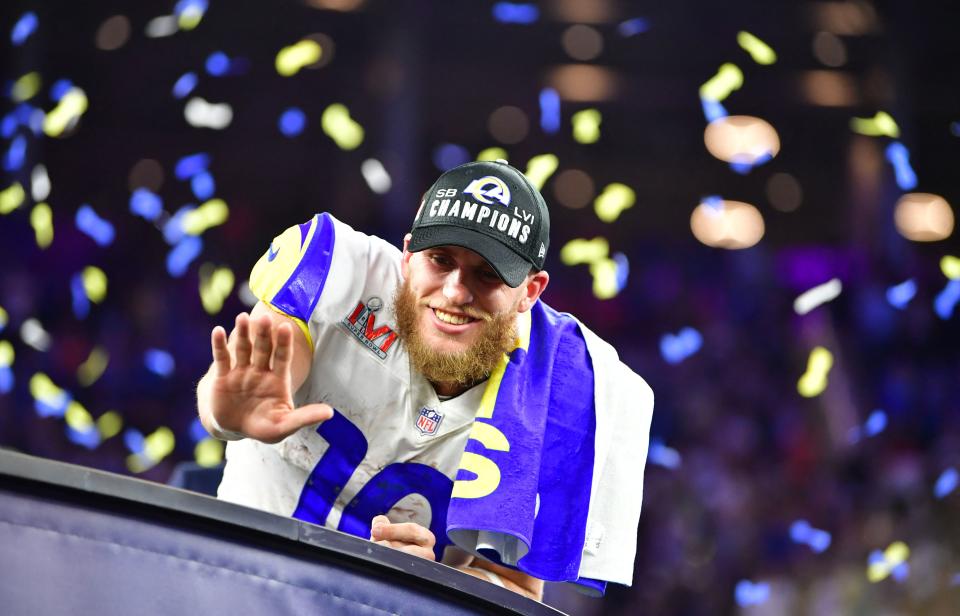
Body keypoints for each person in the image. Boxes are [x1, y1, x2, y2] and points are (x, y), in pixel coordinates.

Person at [196, 160, 653, 602]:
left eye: (488, 273)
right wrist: (224, 412)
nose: (455, 291)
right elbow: (258, 376)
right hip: (234, 588)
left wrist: (433, 584)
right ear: (408, 255)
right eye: (440, 259)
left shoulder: (565, 387)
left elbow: (519, 592)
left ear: (530, 292)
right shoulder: (341, 269)